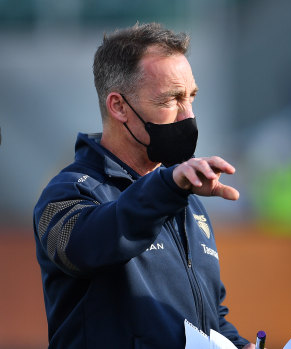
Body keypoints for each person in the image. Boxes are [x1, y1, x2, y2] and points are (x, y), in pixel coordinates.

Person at [33, 23, 254, 349]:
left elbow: (209, 317)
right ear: (118, 106)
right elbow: (84, 248)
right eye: (172, 99)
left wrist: (238, 344)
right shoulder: (67, 192)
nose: (188, 116)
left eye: (191, 97)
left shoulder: (184, 198)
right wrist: (169, 188)